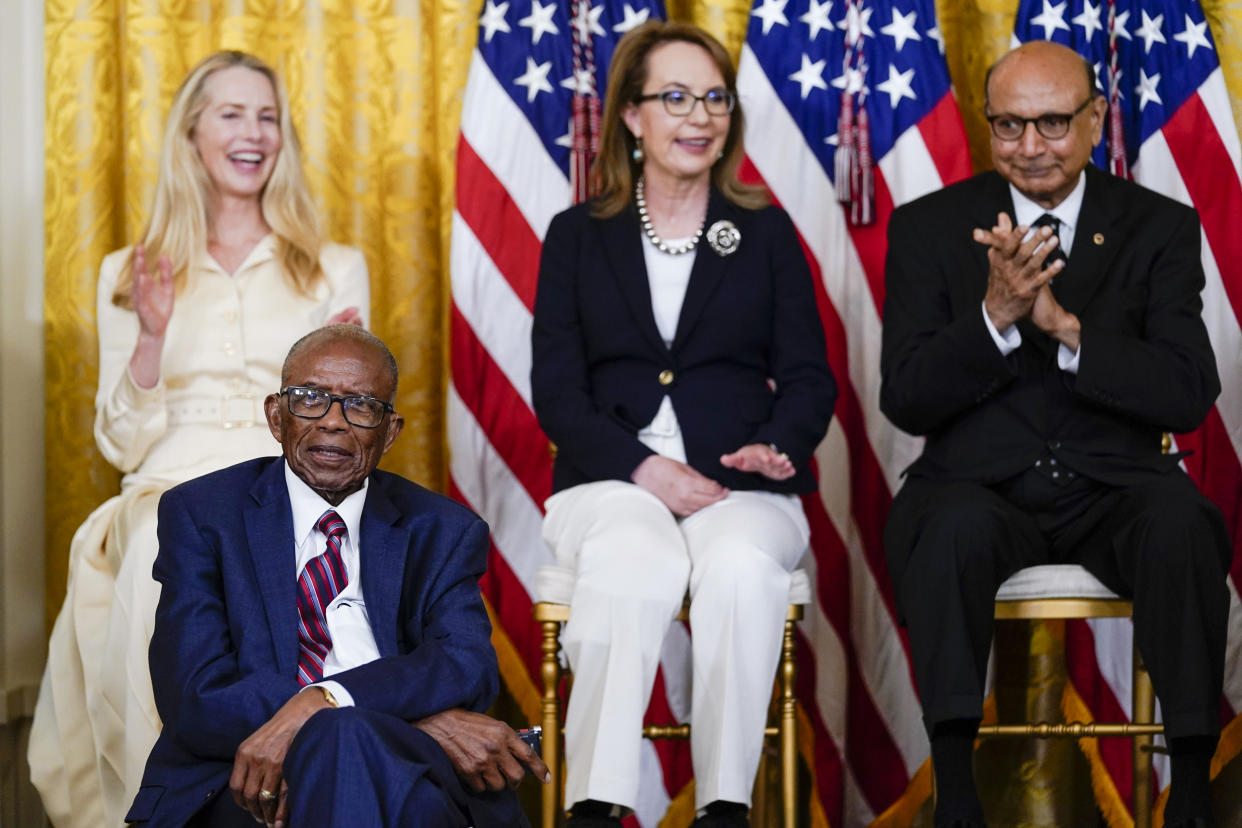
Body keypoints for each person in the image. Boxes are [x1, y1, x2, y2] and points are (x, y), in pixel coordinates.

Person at [880, 40, 1230, 828]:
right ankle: (956, 789)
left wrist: (1068, 330)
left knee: (1182, 524)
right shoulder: (932, 229)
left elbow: (1187, 392)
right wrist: (992, 319)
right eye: (1009, 126)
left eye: (1051, 123)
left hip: (1115, 489)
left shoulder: (1157, 227)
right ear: (988, 125)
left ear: (1097, 118)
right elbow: (904, 396)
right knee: (950, 528)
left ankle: (1195, 793)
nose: (1030, 146)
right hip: (981, 486)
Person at [30, 51, 369, 827]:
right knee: (160, 548)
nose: (254, 133)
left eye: (268, 117)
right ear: (191, 133)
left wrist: (338, 387)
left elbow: (349, 431)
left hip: (288, 485)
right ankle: (168, 808)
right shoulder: (132, 270)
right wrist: (150, 335)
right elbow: (120, 443)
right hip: (166, 484)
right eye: (232, 114)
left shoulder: (333, 269)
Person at [531, 21, 836, 828]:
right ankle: (594, 807)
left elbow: (809, 376)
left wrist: (779, 445)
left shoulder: (764, 231)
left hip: (740, 484)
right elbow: (557, 392)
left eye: (713, 98)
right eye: (675, 97)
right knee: (631, 558)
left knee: (739, 571)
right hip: (609, 482)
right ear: (631, 116)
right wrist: (644, 469)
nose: (698, 116)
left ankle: (724, 810)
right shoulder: (576, 236)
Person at [123, 324, 545, 827]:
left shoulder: (443, 529)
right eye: (310, 398)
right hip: (240, 778)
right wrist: (370, 715)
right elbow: (194, 693)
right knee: (354, 752)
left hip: (403, 762)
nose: (333, 422)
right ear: (276, 417)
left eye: (361, 405)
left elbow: (464, 666)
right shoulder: (203, 514)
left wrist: (324, 701)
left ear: (389, 432)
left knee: (349, 745)